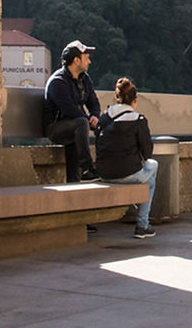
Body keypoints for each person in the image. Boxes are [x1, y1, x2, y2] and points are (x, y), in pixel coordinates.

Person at [96, 77, 158, 238]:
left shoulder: (104, 117)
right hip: (127, 174)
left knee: (149, 180)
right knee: (153, 169)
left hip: (104, 173)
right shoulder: (138, 120)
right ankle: (142, 225)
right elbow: (147, 153)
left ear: (117, 98)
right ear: (135, 100)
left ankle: (143, 225)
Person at [42, 40, 102, 182]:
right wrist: (88, 120)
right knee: (81, 123)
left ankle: (79, 180)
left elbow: (93, 101)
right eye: (87, 58)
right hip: (55, 128)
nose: (89, 62)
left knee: (98, 125)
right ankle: (87, 168)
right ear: (76, 60)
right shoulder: (57, 82)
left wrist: (95, 116)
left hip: (75, 126)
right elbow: (69, 110)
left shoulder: (84, 79)